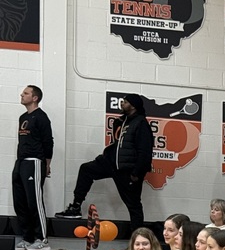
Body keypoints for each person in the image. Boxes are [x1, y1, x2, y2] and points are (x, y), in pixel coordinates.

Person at [57, 94, 153, 231]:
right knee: (86, 169)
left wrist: (137, 172)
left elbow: (145, 150)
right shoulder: (122, 121)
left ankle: (138, 238)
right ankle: (75, 207)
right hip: (111, 164)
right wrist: (105, 156)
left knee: (134, 205)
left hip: (127, 170)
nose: (122, 104)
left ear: (133, 106)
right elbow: (117, 145)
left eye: (125, 102)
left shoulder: (140, 123)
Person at [12, 85, 53, 250]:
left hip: (34, 162)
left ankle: (42, 239)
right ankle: (28, 237)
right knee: (20, 202)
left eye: (26, 93)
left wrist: (47, 164)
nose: (22, 94)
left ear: (35, 98)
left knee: (34, 201)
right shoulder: (23, 117)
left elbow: (48, 141)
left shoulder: (41, 117)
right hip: (21, 162)